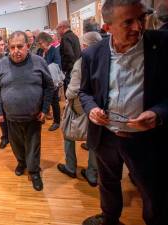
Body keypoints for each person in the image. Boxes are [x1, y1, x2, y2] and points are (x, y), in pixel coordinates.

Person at [79, 0, 168, 224]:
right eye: (128, 22)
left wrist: (158, 113)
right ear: (107, 27)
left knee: (152, 190)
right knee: (108, 182)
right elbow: (85, 93)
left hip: (146, 139)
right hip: (106, 136)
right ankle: (110, 218)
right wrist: (92, 110)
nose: (138, 27)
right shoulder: (92, 54)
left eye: (141, 18)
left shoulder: (162, 45)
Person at [0, 31, 54, 191]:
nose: (15, 50)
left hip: (33, 117)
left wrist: (45, 108)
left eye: (20, 46)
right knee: (16, 145)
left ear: (28, 46)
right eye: (12, 47)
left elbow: (49, 86)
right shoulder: (2, 65)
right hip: (10, 117)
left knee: (33, 146)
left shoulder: (39, 62)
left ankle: (34, 171)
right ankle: (21, 162)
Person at [57, 31, 102, 187]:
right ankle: (92, 173)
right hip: (99, 105)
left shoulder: (82, 62)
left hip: (80, 105)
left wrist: (67, 97)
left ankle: (70, 166)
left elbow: (73, 89)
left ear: (85, 46)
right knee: (95, 139)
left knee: (68, 134)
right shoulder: (106, 59)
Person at [37, 32, 62, 131]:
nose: (40, 45)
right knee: (42, 99)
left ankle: (57, 122)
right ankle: (42, 117)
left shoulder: (54, 51)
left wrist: (45, 67)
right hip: (41, 80)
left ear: (47, 41)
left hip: (52, 81)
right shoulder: (40, 51)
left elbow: (57, 65)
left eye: (41, 43)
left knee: (54, 101)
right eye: (39, 43)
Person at [56, 20, 81, 92]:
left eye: (58, 29)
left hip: (70, 70)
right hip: (77, 66)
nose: (57, 31)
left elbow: (69, 54)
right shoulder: (75, 36)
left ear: (62, 27)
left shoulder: (65, 38)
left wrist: (66, 69)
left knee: (69, 92)